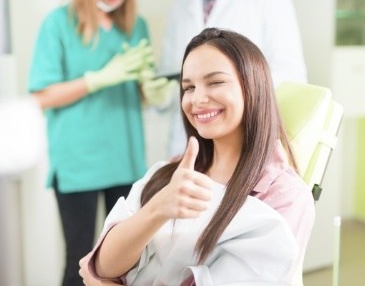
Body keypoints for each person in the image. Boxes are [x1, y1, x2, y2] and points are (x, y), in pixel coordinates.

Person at [78, 28, 315, 285]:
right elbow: (103, 264)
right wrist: (159, 208)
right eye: (188, 87)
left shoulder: (284, 196)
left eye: (215, 82)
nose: (197, 99)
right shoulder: (169, 172)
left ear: (252, 87)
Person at [27, 0, 155, 285]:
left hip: (126, 160)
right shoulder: (58, 23)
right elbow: (41, 95)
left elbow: (140, 90)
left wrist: (152, 90)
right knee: (81, 261)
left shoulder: (136, 25)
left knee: (127, 263)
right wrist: (95, 80)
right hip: (78, 164)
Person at [159, 0, 308, 158]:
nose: (199, 97)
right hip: (187, 144)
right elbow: (172, 78)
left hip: (246, 146)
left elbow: (291, 78)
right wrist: (160, 95)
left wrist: (235, 98)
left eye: (216, 82)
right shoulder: (179, 8)